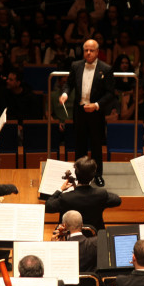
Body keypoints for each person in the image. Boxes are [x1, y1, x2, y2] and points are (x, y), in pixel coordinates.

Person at [59, 39, 114, 185]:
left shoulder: (106, 69)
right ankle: (79, 175)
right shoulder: (76, 66)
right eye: (86, 50)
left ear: (97, 52)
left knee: (96, 145)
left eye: (91, 50)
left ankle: (97, 175)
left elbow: (110, 94)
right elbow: (68, 84)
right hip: (80, 111)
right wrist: (65, 94)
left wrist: (96, 105)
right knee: (80, 144)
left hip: (96, 113)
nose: (88, 53)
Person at [45, 156, 121, 232]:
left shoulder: (66, 198)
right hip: (95, 239)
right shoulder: (101, 194)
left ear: (76, 174)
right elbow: (117, 200)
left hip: (70, 238)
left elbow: (48, 206)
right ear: (93, 175)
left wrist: (60, 189)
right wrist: (99, 192)